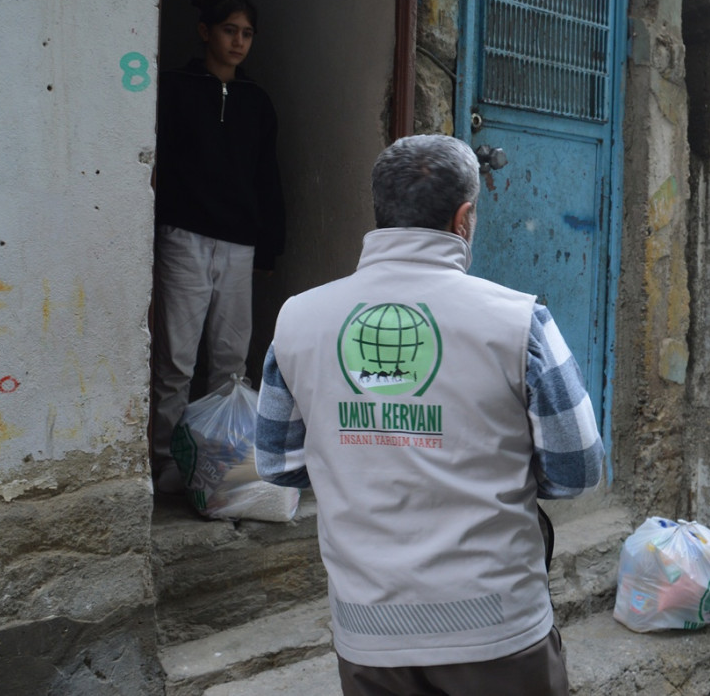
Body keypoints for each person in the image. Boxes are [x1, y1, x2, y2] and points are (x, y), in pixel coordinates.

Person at [254, 135, 605, 696]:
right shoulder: (520, 323)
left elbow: (278, 465)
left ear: (382, 213)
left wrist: (361, 459)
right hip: (497, 630)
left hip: (369, 636)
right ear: (463, 219)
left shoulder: (297, 320)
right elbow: (578, 468)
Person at [151, 0, 285, 495]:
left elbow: (268, 178)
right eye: (230, 30)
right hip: (183, 237)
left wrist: (269, 246)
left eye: (247, 33)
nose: (239, 41)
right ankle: (166, 465)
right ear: (206, 31)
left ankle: (217, 463)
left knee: (231, 363)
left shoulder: (257, 102)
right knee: (176, 363)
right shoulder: (176, 88)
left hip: (238, 245)